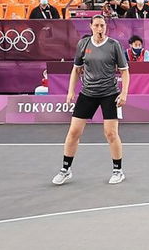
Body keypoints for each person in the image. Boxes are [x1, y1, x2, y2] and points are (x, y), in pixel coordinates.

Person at [53, 15, 130, 186]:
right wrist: (70, 91)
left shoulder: (114, 45)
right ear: (91, 27)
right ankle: (66, 169)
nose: (100, 28)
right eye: (96, 25)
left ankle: (118, 171)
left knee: (111, 133)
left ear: (106, 27)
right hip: (87, 93)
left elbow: (124, 71)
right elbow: (76, 69)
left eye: (102, 25)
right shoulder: (83, 44)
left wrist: (124, 93)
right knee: (74, 132)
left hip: (109, 93)